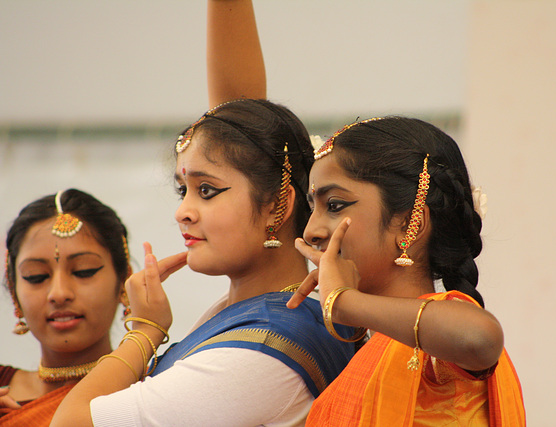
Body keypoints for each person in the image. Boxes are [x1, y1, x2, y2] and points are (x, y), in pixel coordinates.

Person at [51, 103, 356, 425]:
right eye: (183, 191)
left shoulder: (263, 348)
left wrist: (144, 332)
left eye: (206, 190)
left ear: (277, 204)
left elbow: (70, 423)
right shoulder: (251, 312)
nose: (182, 211)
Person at [287, 117, 526, 426]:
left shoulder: (435, 350)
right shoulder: (365, 345)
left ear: (409, 225)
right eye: (312, 209)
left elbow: (480, 338)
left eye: (334, 205)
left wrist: (343, 302)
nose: (310, 231)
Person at [0, 189, 132, 426]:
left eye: (84, 271)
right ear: (13, 289)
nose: (59, 294)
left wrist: (148, 334)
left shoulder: (155, 390)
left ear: (123, 280)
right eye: (36, 276)